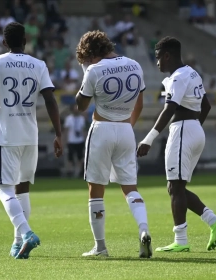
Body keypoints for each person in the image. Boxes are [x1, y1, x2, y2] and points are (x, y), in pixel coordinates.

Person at [0, 22, 63, 259]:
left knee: (4, 189)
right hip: (30, 135)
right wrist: (58, 133)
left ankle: (26, 233)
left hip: (7, 136)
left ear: (4, 42)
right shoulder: (39, 64)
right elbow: (50, 100)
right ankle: (18, 244)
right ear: (25, 40)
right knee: (22, 188)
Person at [136, 37, 216, 252]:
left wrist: (148, 139)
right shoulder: (192, 73)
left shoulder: (178, 77)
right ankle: (214, 221)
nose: (157, 62)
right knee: (176, 186)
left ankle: (181, 241)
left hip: (183, 130)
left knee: (175, 187)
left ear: (167, 56)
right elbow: (205, 106)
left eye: (158, 58)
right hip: (194, 129)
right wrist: (195, 127)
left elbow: (169, 109)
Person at [75, 30, 151, 258]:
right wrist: (127, 125)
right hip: (126, 129)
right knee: (130, 187)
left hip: (102, 129)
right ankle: (144, 230)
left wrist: (85, 72)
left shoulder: (94, 70)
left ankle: (100, 247)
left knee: (96, 189)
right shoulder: (135, 65)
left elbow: (80, 105)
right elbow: (140, 104)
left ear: (91, 54)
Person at [64, 104, 86, 177]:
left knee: (80, 157)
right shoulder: (69, 119)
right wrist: (65, 140)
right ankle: (69, 171)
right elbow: (66, 130)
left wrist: (85, 139)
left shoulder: (81, 118)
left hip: (80, 140)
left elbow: (83, 130)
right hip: (71, 141)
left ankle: (79, 172)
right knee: (70, 157)